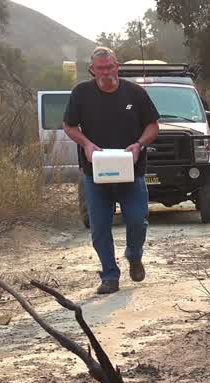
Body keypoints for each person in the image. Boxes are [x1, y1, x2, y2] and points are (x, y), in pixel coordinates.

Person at [62, 47, 160, 294]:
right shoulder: (81, 93)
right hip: (95, 173)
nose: (106, 72)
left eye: (109, 67)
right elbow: (69, 125)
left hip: (132, 171)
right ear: (92, 70)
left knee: (137, 220)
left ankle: (134, 255)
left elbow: (153, 126)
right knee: (100, 228)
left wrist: (139, 145)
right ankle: (109, 275)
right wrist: (86, 144)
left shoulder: (135, 93)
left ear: (117, 66)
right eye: (100, 68)